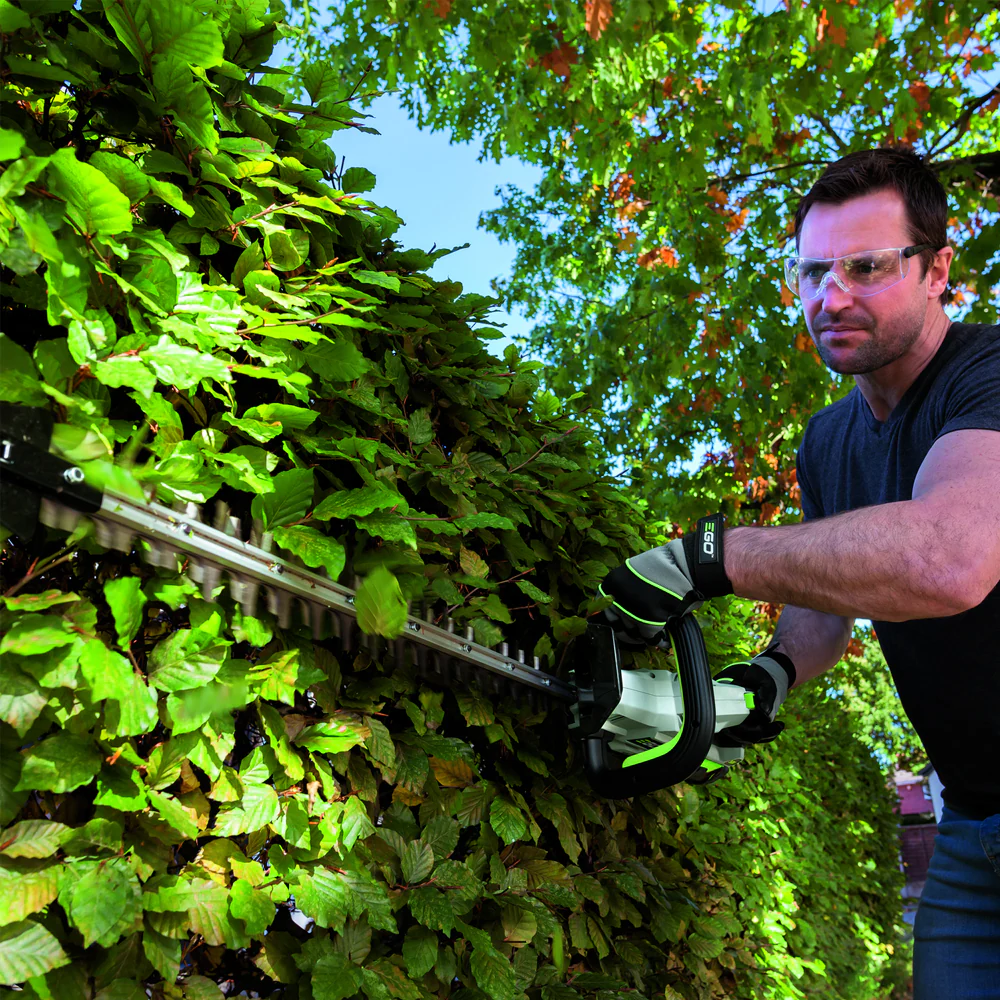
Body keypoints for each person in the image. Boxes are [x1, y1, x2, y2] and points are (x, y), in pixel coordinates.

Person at [597, 147, 1000, 999]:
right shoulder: (827, 442)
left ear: (938, 271)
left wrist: (709, 557)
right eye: (813, 272)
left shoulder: (988, 374)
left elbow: (949, 558)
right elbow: (827, 606)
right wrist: (765, 680)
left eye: (866, 267)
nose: (831, 297)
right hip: (969, 820)